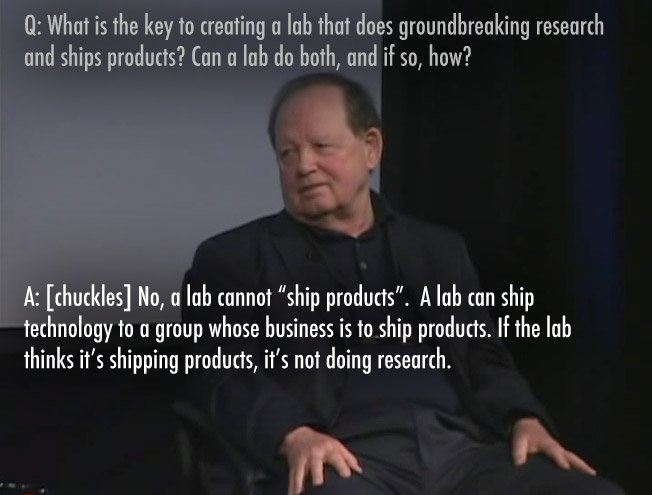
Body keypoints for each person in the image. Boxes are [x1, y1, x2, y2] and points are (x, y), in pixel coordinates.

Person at [184, 73, 624, 495]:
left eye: (321, 147)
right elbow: (219, 373)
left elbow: (482, 354)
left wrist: (523, 417)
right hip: (344, 455)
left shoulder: (437, 250)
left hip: (463, 454)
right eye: (287, 154)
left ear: (371, 148)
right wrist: (293, 434)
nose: (304, 166)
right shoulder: (234, 259)